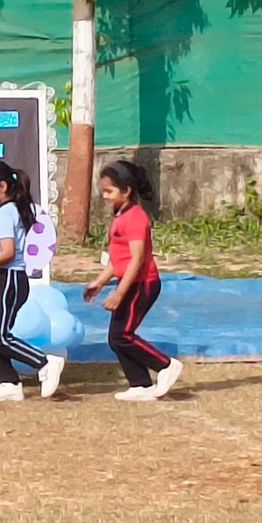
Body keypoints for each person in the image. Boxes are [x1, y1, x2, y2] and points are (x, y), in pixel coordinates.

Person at [0, 159, 67, 402]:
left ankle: (45, 362)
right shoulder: (5, 211)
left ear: (3, 186)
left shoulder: (5, 213)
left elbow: (7, 252)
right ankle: (8, 383)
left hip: (9, 279)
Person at [82, 160, 182, 401]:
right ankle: (140, 384)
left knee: (122, 335)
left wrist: (119, 293)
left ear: (126, 191)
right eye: (103, 190)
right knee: (116, 338)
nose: (104, 196)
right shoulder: (120, 216)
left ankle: (165, 365)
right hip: (130, 281)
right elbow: (118, 259)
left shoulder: (135, 217)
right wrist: (99, 282)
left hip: (142, 283)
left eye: (109, 191)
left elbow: (137, 259)